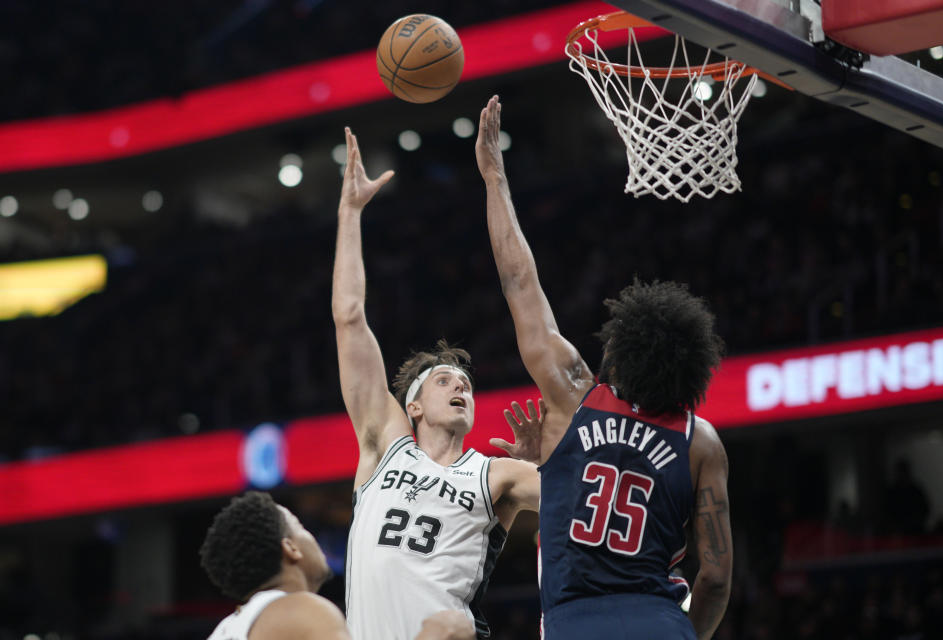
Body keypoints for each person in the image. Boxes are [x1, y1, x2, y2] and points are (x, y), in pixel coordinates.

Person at [475, 95, 733, 640]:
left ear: (620, 348)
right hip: (661, 621)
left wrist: (494, 176)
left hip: (576, 621)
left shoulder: (577, 396)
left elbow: (520, 283)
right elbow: (714, 576)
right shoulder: (700, 440)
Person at [332, 127, 541, 640]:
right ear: (415, 406)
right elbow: (350, 317)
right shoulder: (384, 446)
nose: (461, 388)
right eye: (445, 380)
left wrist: (544, 461)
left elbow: (582, 498)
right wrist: (350, 214)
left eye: (467, 384)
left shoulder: (496, 475)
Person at [200, 491, 476, 640]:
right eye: (301, 527)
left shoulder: (227, 628)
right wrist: (437, 634)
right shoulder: (299, 609)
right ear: (291, 548)